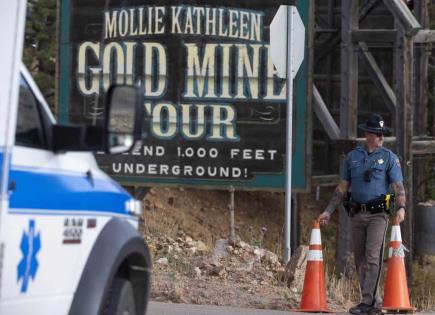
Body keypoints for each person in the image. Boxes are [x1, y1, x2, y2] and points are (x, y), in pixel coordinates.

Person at [317, 114, 406, 315]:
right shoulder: (353, 157)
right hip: (357, 213)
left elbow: (398, 186)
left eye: (382, 134)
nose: (380, 137)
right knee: (360, 259)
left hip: (378, 215)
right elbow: (342, 187)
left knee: (374, 257)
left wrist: (401, 208)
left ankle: (366, 303)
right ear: (368, 134)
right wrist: (329, 210)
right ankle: (374, 301)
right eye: (376, 133)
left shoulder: (390, 158)